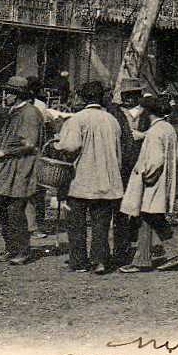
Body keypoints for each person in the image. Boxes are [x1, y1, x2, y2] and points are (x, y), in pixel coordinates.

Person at [56, 81, 123, 274]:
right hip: (108, 179)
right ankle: (100, 260)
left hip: (82, 180)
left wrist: (58, 146)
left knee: (76, 223)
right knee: (101, 223)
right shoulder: (112, 120)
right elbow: (118, 152)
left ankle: (78, 261)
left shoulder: (77, 119)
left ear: (83, 97)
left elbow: (71, 146)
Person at [118, 96, 178, 273]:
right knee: (148, 218)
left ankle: (175, 252)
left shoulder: (155, 132)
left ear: (148, 112)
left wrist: (144, 174)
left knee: (152, 217)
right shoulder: (167, 128)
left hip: (152, 182)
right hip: (163, 180)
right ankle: (142, 259)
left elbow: (156, 160)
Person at [0, 76, 46, 265]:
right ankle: (10, 249)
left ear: (18, 95)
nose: (5, 96)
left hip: (21, 168)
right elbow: (6, 137)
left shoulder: (30, 113)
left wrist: (4, 151)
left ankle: (22, 251)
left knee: (15, 210)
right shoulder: (13, 112)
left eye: (9, 93)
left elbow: (29, 143)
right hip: (8, 168)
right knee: (4, 208)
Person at [108, 78, 148, 264]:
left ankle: (138, 245)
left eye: (132, 95)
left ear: (138, 96)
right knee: (120, 209)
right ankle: (120, 248)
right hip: (120, 164)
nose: (128, 99)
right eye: (125, 95)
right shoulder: (114, 112)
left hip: (140, 163)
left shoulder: (146, 114)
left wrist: (143, 136)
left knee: (140, 207)